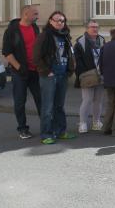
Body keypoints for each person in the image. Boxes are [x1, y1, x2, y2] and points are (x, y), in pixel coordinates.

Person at [33, 11, 76, 144]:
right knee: (47, 107)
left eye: (62, 21)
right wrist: (47, 71)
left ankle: (61, 131)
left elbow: (69, 54)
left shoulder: (65, 35)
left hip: (62, 75)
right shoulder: (45, 36)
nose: (59, 23)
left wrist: (70, 70)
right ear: (50, 21)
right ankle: (46, 134)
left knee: (59, 105)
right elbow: (36, 57)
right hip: (49, 76)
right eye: (57, 20)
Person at [2, 5, 41, 139]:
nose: (37, 16)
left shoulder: (35, 28)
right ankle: (22, 129)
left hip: (35, 71)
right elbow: (7, 52)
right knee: (20, 101)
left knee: (41, 100)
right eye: (35, 14)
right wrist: (19, 67)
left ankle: (47, 126)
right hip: (20, 73)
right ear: (26, 14)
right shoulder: (12, 31)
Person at [74, 20, 106, 133]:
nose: (95, 29)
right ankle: (82, 123)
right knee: (87, 100)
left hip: (100, 75)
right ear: (87, 28)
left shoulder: (102, 40)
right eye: (92, 27)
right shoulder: (80, 42)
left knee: (98, 100)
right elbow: (77, 61)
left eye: (97, 27)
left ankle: (96, 122)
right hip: (87, 75)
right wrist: (83, 74)